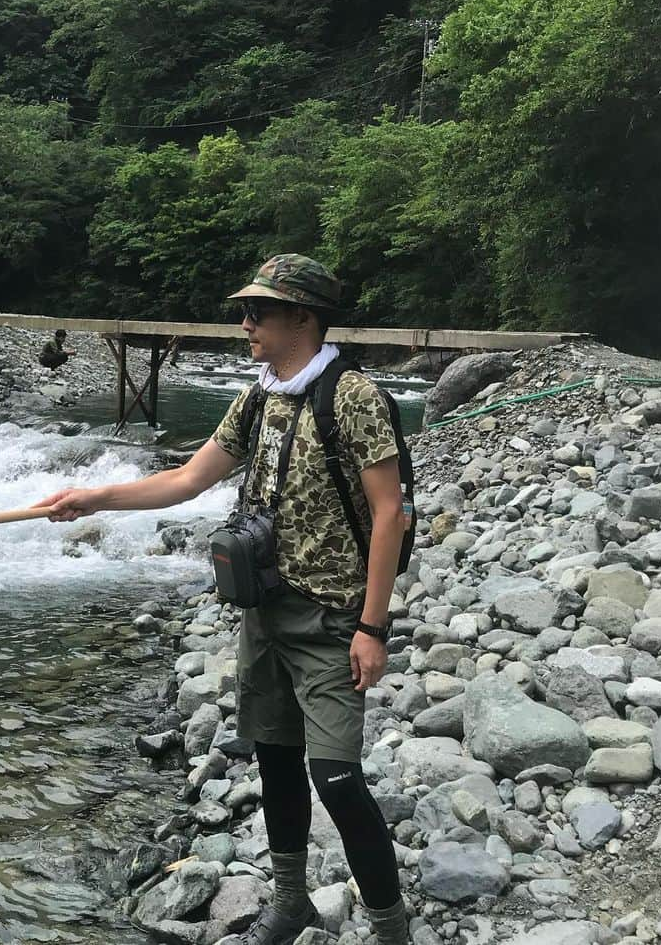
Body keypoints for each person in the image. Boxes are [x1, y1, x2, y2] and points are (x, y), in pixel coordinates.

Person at [35, 254, 410, 945]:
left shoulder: (353, 396)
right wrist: (94, 497)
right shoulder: (258, 395)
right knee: (273, 759)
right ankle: (291, 900)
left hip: (331, 622)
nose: (245, 323)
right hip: (262, 612)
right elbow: (186, 479)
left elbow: (392, 514)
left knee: (336, 778)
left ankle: (392, 930)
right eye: (246, 310)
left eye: (258, 311)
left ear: (304, 316)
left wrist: (372, 627)